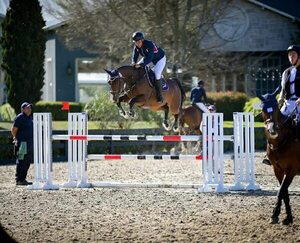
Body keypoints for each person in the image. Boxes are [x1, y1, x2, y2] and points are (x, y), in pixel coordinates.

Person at [263, 44, 300, 166]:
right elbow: (283, 90)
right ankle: (269, 154)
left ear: (299, 56)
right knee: (273, 123)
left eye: (293, 55)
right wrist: (280, 98)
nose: (291, 57)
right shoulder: (286, 72)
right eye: (289, 55)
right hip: (289, 103)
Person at [131, 31, 166, 103]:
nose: (136, 44)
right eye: (135, 42)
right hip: (148, 58)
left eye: (138, 42)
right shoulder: (136, 46)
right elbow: (135, 55)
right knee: (135, 68)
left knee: (157, 74)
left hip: (160, 59)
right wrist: (133, 63)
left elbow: (150, 58)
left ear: (142, 40)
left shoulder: (149, 44)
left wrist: (140, 65)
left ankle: (160, 96)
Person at [11, 102, 33, 185]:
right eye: (27, 108)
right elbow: (14, 129)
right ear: (22, 109)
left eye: (30, 108)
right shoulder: (20, 117)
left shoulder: (30, 118)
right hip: (22, 143)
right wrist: (15, 138)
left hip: (29, 143)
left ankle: (23, 179)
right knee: (21, 160)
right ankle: (19, 179)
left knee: (27, 161)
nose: (29, 109)